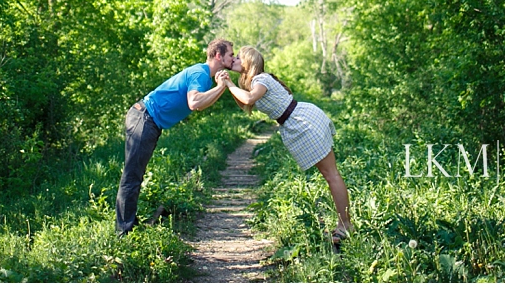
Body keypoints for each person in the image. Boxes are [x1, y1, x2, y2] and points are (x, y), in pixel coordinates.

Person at [216, 46, 352, 244]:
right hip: (296, 122)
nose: (234, 60)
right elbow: (245, 102)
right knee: (330, 175)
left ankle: (346, 225)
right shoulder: (255, 82)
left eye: (238, 58)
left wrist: (228, 84)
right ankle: (344, 224)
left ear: (248, 62)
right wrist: (226, 83)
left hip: (303, 121)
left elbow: (249, 99)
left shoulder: (260, 80)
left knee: (332, 175)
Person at [116, 39, 236, 235]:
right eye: (231, 54)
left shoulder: (206, 77)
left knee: (136, 174)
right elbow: (194, 103)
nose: (233, 58)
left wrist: (221, 87)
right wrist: (220, 86)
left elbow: (201, 105)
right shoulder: (200, 73)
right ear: (218, 55)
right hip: (144, 117)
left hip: (149, 121)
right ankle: (123, 233)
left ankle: (129, 225)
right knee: (132, 176)